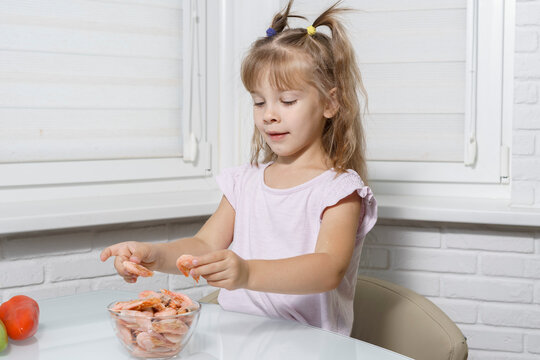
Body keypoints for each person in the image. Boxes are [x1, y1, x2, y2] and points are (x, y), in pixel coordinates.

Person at [100, 0, 377, 336]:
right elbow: (205, 246)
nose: (268, 114)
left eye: (287, 101)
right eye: (258, 101)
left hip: (307, 345)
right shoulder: (245, 182)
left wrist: (247, 273)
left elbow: (328, 269)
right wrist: (154, 255)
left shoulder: (338, 190)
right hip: (239, 335)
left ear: (330, 103)